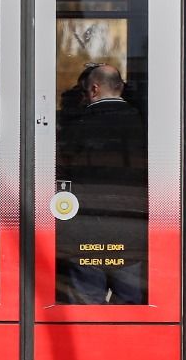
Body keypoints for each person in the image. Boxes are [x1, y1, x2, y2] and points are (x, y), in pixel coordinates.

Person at [57, 63, 147, 305]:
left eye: (84, 93)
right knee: (130, 305)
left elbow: (60, 175)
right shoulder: (146, 126)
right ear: (121, 88)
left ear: (94, 89)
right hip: (132, 233)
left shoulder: (75, 127)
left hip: (86, 231)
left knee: (87, 307)